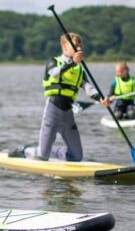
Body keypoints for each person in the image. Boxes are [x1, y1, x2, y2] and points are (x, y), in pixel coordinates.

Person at [9, 32, 107, 161]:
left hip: (68, 113)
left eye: (80, 46)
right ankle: (25, 150)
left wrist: (101, 98)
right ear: (64, 47)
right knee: (42, 156)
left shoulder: (80, 70)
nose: (79, 49)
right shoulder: (53, 62)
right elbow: (55, 74)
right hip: (53, 110)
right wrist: (72, 62)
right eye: (75, 46)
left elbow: (89, 88)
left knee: (76, 157)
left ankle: (53, 153)